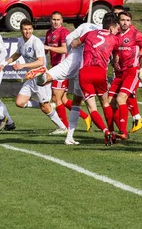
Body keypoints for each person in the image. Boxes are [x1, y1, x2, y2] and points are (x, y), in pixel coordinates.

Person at [26, 17, 105, 145]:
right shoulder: (105, 31)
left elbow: (69, 39)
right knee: (79, 102)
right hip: (87, 62)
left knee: (45, 81)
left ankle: (69, 136)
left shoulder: (86, 26)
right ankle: (99, 132)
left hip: (74, 58)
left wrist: (71, 52)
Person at [0, 19, 67, 134]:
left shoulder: (36, 42)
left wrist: (22, 66)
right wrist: (4, 64)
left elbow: (40, 62)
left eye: (30, 29)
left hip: (41, 77)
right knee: (19, 102)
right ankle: (47, 105)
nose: (27, 31)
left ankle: (63, 128)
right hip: (31, 77)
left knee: (45, 108)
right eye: (25, 29)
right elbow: (17, 54)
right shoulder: (21, 41)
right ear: (21, 30)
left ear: (32, 29)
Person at [70, 17, 120, 145]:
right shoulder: (114, 39)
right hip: (100, 72)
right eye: (116, 29)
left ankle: (105, 131)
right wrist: (114, 63)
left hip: (85, 72)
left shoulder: (89, 33)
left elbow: (74, 43)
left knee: (92, 108)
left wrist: (75, 44)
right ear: (110, 28)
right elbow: (116, 58)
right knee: (105, 103)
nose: (117, 31)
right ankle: (112, 132)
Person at [106, 11, 142, 141]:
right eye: (123, 20)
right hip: (119, 74)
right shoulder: (115, 34)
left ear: (131, 22)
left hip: (132, 72)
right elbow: (114, 51)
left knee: (121, 99)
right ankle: (114, 132)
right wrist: (114, 62)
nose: (125, 22)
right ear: (119, 21)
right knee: (109, 104)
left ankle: (123, 131)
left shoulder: (135, 34)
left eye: (128, 20)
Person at [44, 11, 92, 131]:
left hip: (63, 67)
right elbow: (45, 50)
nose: (55, 22)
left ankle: (64, 127)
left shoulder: (64, 32)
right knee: (63, 100)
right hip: (55, 67)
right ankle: (86, 116)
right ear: (50, 20)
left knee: (56, 98)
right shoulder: (49, 33)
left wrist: (50, 47)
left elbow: (65, 49)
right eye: (53, 19)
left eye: (58, 19)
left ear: (62, 21)